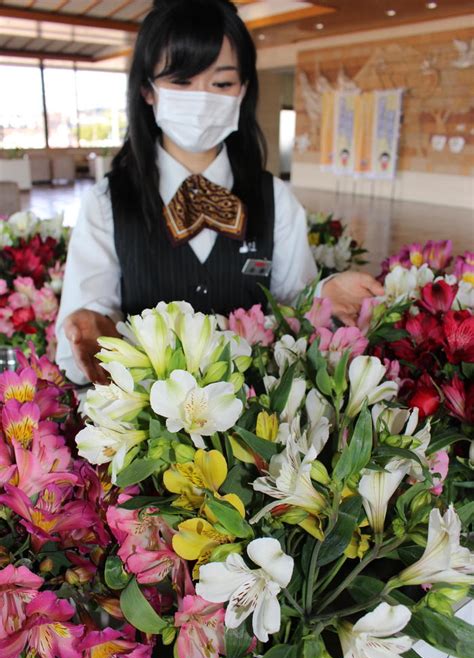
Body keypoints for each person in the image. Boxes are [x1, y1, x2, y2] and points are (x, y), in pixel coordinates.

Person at [56, 0, 383, 386]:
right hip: (147, 433)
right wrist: (91, 327)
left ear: (243, 89)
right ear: (147, 89)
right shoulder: (106, 203)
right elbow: (85, 332)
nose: (202, 97)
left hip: (256, 426)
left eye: (222, 83)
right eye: (181, 81)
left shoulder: (275, 198)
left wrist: (325, 293)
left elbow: (293, 307)